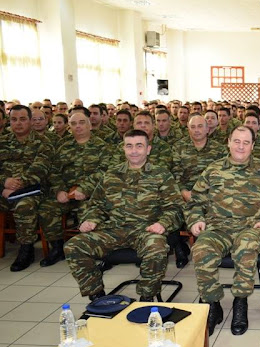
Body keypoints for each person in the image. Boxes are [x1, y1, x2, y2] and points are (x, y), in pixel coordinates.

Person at [185, 126, 260, 335]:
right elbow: (194, 201)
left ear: (253, 146)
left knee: (246, 246)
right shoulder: (213, 170)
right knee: (201, 250)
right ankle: (212, 304)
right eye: (237, 141)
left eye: (246, 142)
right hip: (218, 228)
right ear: (229, 143)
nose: (241, 146)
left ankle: (240, 302)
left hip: (251, 228)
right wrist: (196, 219)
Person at [64, 129, 182, 301]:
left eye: (139, 146)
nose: (134, 151)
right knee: (74, 246)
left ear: (148, 149)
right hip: (114, 230)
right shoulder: (111, 174)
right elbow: (96, 204)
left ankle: (146, 296)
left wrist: (163, 223)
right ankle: (96, 295)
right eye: (129, 146)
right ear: (123, 148)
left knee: (156, 248)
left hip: (147, 230)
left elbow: (175, 208)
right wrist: (91, 219)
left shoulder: (161, 175)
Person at [38, 111, 109, 266]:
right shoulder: (63, 147)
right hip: (68, 194)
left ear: (90, 125)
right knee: (47, 208)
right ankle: (57, 248)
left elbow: (105, 172)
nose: (78, 126)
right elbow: (54, 171)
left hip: (91, 195)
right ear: (69, 127)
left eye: (82, 122)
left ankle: (92, 250)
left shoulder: (102, 147)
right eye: (74, 123)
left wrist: (85, 189)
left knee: (89, 213)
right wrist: (59, 190)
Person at [0, 105, 55, 271]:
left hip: (32, 190)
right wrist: (4, 182)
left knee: (24, 206)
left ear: (31, 121)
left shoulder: (43, 142)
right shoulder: (2, 142)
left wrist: (16, 187)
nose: (18, 123)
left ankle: (26, 249)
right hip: (5, 189)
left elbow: (40, 169)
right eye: (14, 119)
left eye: (22, 119)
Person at [170, 114, 226, 267]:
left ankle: (210, 246)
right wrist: (183, 192)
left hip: (211, 194)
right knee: (172, 209)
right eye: (193, 127)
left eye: (200, 126)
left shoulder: (219, 149)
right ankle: (180, 247)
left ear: (208, 129)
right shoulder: (179, 147)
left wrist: (209, 194)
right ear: (188, 129)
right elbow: (175, 173)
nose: (196, 130)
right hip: (186, 193)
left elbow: (223, 175)